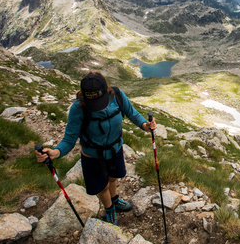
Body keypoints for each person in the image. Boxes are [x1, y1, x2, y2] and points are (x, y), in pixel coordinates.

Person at [35, 71, 157, 225]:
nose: (98, 108)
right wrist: (55, 152)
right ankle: (109, 210)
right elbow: (69, 139)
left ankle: (115, 200)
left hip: (115, 149)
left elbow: (132, 113)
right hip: (93, 156)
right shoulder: (78, 108)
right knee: (102, 186)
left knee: (113, 178)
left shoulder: (117, 95)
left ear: (106, 90)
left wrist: (145, 125)